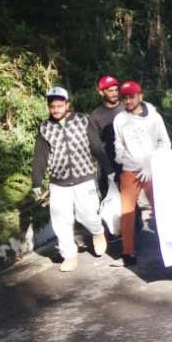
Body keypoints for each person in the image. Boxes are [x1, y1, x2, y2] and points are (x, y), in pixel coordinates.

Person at [31, 87, 113, 272]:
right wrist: (36, 181)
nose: (56, 110)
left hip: (84, 178)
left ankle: (98, 232)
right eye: (52, 107)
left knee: (88, 215)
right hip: (58, 183)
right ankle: (69, 254)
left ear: (67, 105)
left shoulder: (82, 120)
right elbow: (40, 156)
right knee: (61, 220)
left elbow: (97, 147)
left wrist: (109, 170)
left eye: (60, 106)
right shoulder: (45, 128)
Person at [113, 80, 171, 266]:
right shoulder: (119, 119)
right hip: (129, 171)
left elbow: (165, 143)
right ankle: (128, 252)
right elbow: (118, 141)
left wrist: (150, 163)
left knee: (161, 209)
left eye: (131, 97)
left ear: (140, 96)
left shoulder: (154, 117)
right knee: (127, 212)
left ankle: (169, 247)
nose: (128, 101)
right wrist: (120, 155)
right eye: (125, 98)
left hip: (152, 171)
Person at [89, 75, 123, 198]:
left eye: (116, 90)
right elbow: (95, 144)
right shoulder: (96, 116)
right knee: (109, 201)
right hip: (108, 165)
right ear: (101, 92)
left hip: (130, 164)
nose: (114, 93)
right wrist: (107, 168)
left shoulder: (127, 109)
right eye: (110, 90)